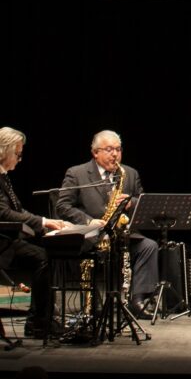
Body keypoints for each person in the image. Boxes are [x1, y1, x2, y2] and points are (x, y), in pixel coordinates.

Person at [56, 130, 159, 320]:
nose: (115, 154)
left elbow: (143, 202)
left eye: (118, 150)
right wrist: (88, 221)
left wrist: (131, 202)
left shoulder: (129, 173)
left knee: (149, 246)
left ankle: (137, 301)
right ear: (95, 152)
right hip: (92, 235)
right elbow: (62, 206)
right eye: (109, 149)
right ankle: (92, 304)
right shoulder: (77, 173)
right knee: (95, 251)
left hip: (122, 235)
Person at [0, 127, 67, 338]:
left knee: (46, 254)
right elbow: (4, 213)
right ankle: (39, 322)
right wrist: (43, 222)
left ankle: (40, 320)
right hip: (2, 242)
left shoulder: (3, 177)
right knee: (43, 258)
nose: (20, 159)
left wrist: (45, 223)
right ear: (5, 151)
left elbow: (17, 211)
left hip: (8, 238)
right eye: (18, 154)